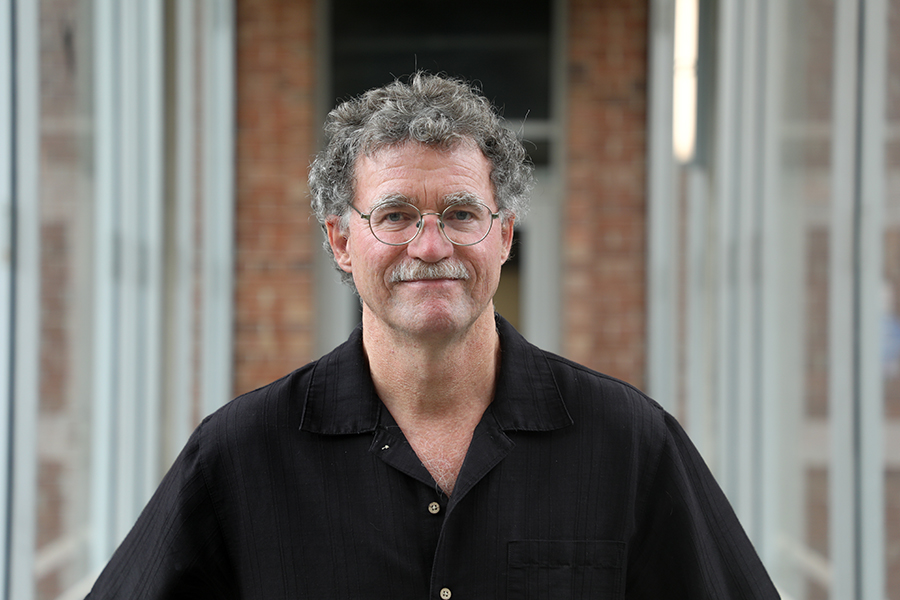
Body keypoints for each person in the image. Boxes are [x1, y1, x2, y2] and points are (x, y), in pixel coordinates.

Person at [86, 73, 779, 599]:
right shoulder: (241, 455)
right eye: (394, 215)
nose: (429, 245)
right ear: (340, 241)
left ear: (503, 236)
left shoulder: (629, 442)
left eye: (459, 212)